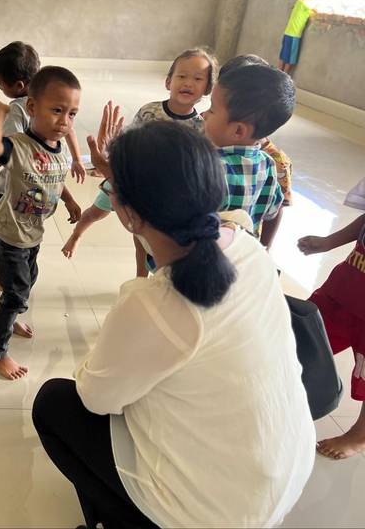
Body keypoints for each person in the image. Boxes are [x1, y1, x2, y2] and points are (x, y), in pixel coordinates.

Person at [34, 120, 315, 528]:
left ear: (126, 214)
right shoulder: (249, 250)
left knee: (55, 404)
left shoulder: (155, 302)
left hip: (213, 515)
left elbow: (96, 399)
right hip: (284, 470)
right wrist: (122, 178)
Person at [65, 48, 216, 273]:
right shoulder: (150, 111)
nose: (188, 83)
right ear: (168, 82)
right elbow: (128, 141)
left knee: (141, 237)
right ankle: (77, 234)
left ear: (207, 88)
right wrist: (111, 156)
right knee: (96, 212)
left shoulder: (200, 126)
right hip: (129, 179)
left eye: (197, 78)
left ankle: (140, 276)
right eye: (182, 76)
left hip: (160, 195)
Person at [0, 66, 82, 380]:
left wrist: (68, 199)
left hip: (32, 232)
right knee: (16, 294)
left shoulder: (57, 149)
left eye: (72, 113)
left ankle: (9, 308)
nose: (64, 121)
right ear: (32, 107)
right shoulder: (19, 145)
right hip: (10, 233)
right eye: (56, 110)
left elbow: (53, 178)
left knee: (29, 277)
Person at [0, 41, 85, 292]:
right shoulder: (55, 106)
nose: (0, 88)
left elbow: (7, 150)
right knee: (28, 230)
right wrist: (76, 162)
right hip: (40, 189)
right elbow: (67, 135)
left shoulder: (17, 110)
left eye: (1, 84)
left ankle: (6, 277)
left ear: (19, 86)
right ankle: (16, 271)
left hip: (12, 188)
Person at [299, 211, 365, 459]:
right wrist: (329, 242)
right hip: (346, 285)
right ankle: (282, 391)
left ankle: (360, 434)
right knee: (302, 338)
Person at [217, 54, 294, 247]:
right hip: (244, 253)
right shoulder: (266, 163)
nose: (205, 115)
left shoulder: (210, 164)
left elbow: (276, 213)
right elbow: (272, 209)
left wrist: (266, 248)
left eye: (212, 110)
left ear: (239, 129)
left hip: (207, 256)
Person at [278, 0, 315, 75]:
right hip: (294, 35)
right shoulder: (304, 3)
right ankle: (283, 74)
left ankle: (280, 73)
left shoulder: (300, 3)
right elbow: (315, 9)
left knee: (284, 55)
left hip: (289, 33)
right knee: (289, 57)